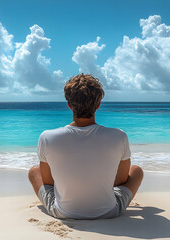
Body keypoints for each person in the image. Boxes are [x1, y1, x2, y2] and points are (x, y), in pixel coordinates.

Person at [28, 73, 143, 219]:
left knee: (34, 171)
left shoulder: (47, 137)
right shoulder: (119, 136)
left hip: (64, 212)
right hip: (109, 211)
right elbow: (120, 182)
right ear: (98, 105)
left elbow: (48, 182)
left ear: (69, 105)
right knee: (136, 171)